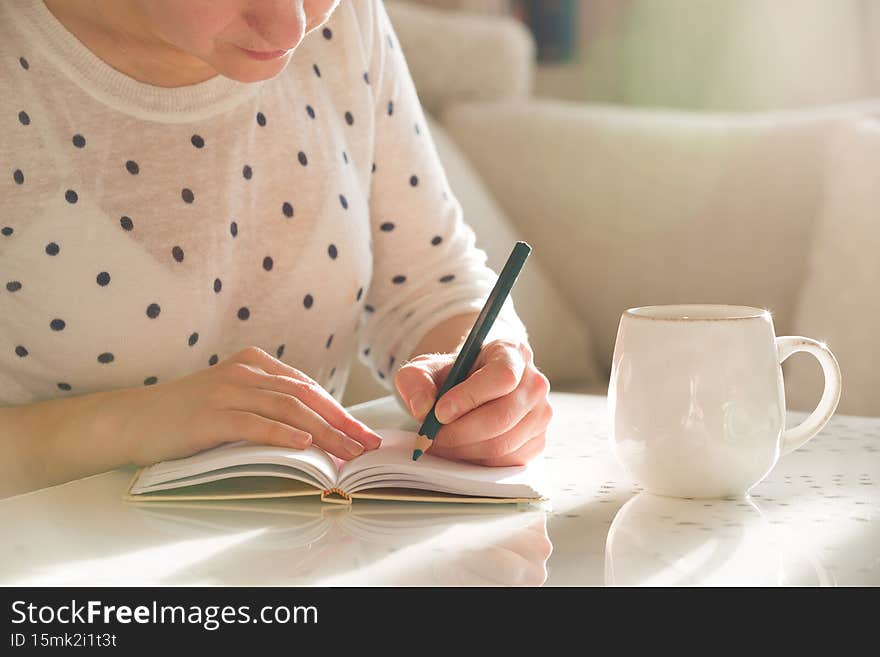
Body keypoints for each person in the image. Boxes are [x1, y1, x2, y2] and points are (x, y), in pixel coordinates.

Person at [0, 0, 552, 499]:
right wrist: (128, 424)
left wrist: (484, 376)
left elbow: (434, 281)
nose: (291, 27)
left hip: (315, 554)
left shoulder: (346, 22)